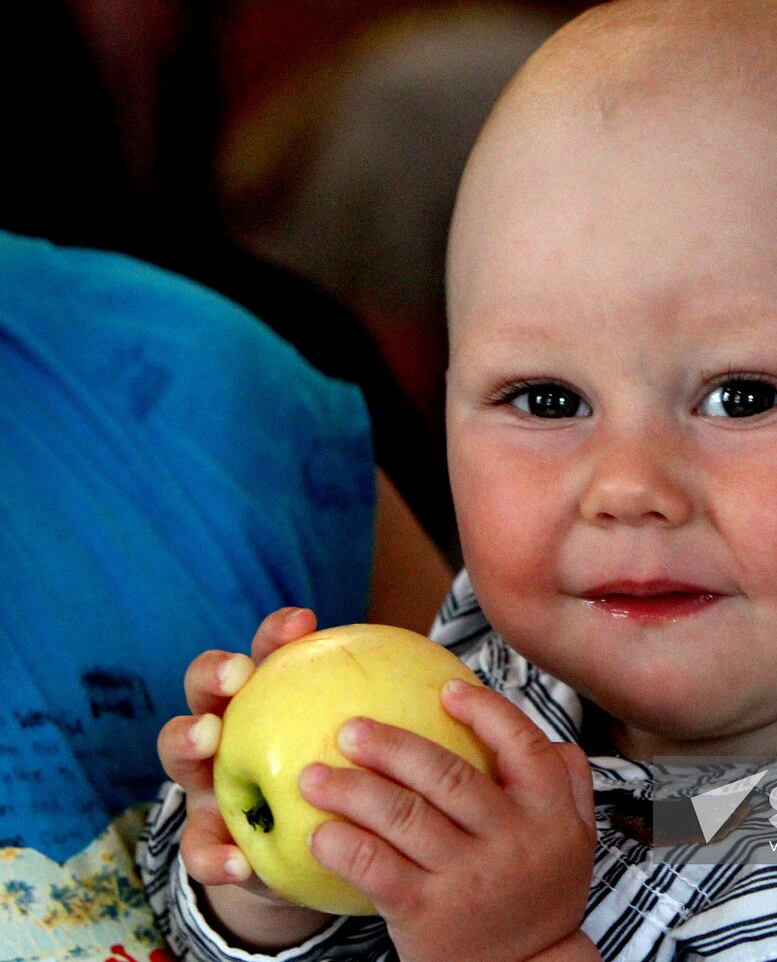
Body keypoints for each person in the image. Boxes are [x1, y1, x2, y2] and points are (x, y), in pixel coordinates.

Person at [142, 0, 777, 961]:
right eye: (547, 400)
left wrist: (515, 950)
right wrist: (270, 893)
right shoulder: (492, 682)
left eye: (740, 396)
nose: (627, 484)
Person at [0, 228, 448, 961]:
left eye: (714, 400)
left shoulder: (221, 383)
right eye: (547, 402)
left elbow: (661, 823)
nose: (626, 485)